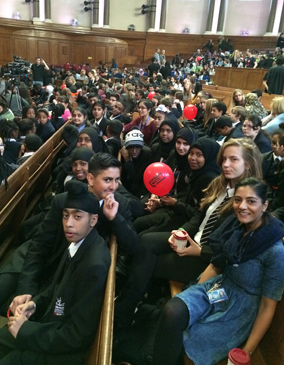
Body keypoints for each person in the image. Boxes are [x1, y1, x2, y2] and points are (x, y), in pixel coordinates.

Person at [114, 139, 263, 328]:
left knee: (149, 262)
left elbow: (232, 251)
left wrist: (199, 251)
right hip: (194, 241)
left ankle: (125, 310)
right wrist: (181, 232)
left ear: (248, 164)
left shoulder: (247, 202)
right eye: (224, 159)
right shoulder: (221, 185)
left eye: (233, 160)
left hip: (208, 261)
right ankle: (132, 303)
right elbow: (199, 218)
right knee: (146, 241)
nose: (225, 164)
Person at [153, 178, 284, 365]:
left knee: (192, 344)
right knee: (173, 311)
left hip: (240, 308)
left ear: (265, 205)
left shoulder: (275, 251)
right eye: (238, 200)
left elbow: (267, 306)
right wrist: (194, 296)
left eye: (251, 201)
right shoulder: (236, 228)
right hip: (221, 289)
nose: (242, 206)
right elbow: (217, 264)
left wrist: (247, 351)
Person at [0, 180, 111, 365]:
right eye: (65, 215)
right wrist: (34, 304)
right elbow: (57, 288)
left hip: (58, 348)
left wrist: (26, 331)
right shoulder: (78, 243)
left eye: (77, 217)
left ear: (93, 220)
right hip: (47, 325)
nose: (68, 224)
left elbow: (77, 335)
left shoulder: (94, 265)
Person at [120, 129, 153, 198]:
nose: (134, 151)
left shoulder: (147, 154)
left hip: (141, 190)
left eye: (137, 148)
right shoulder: (123, 153)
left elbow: (136, 178)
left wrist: (128, 160)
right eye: (131, 148)